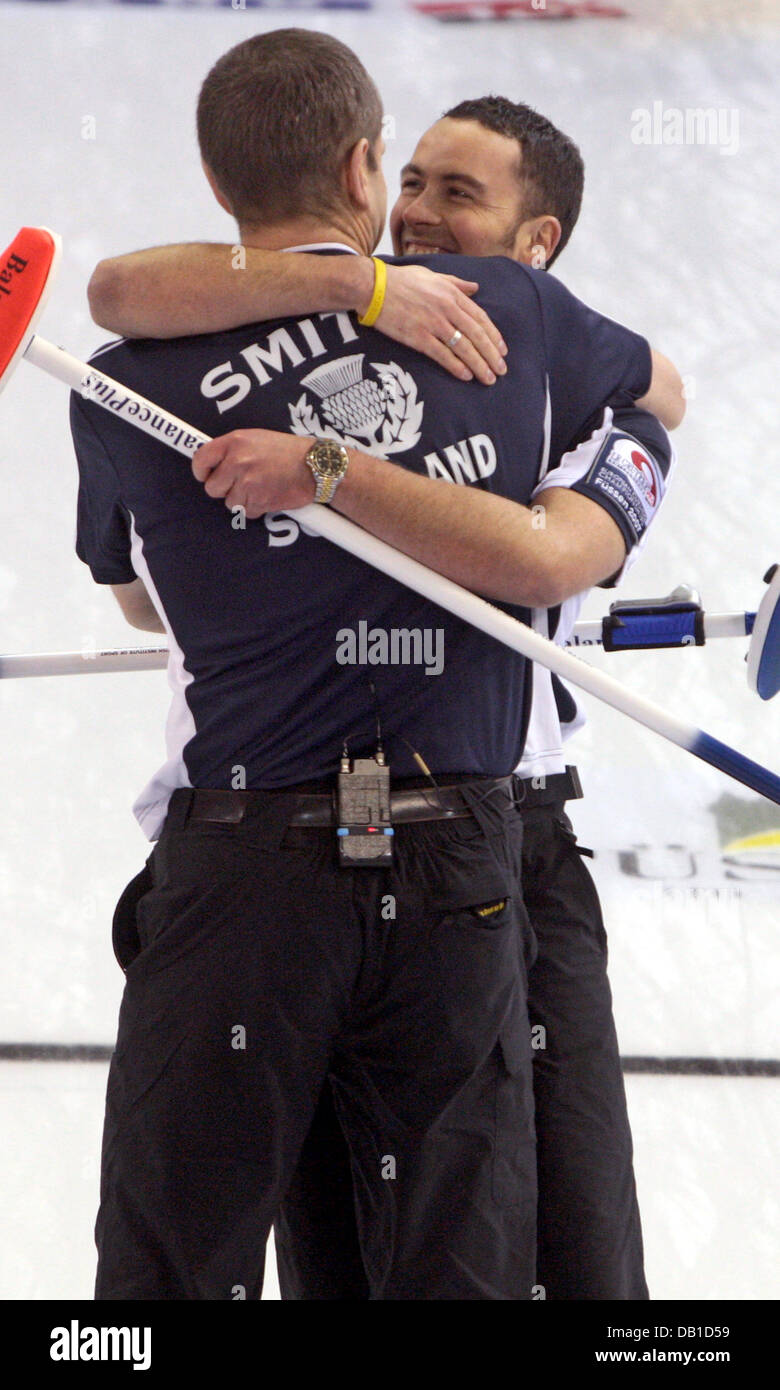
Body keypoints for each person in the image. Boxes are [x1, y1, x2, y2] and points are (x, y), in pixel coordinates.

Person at [74, 31, 673, 1300]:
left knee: (182, 1270)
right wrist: (365, 296)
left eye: (460, 193)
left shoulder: (123, 386)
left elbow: (136, 592)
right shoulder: (500, 315)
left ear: (538, 239)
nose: (418, 210)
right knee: (415, 1254)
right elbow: (117, 289)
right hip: (431, 860)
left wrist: (322, 482)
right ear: (364, 167)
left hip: (396, 852)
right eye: (412, 181)